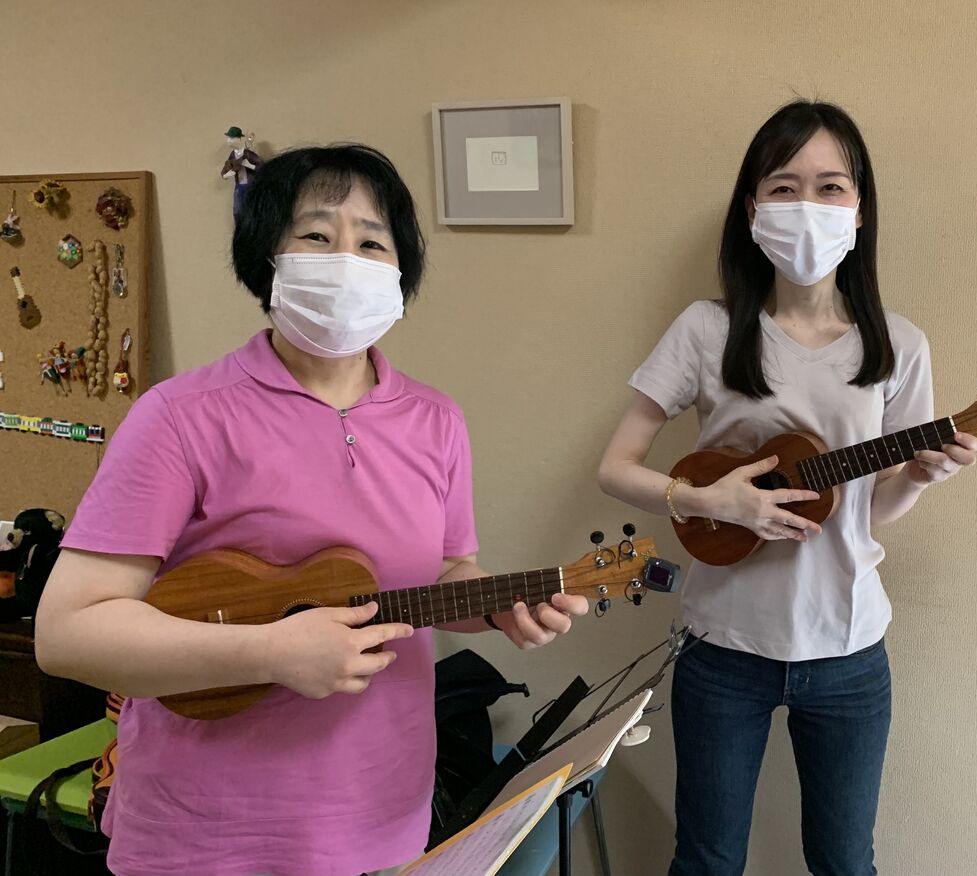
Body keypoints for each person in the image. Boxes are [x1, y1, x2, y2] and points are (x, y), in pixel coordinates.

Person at [36, 144, 588, 876]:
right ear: (267, 258)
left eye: (373, 243)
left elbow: (445, 569)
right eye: (317, 235)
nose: (347, 259)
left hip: (383, 813)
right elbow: (68, 633)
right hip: (208, 833)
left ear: (401, 271)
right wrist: (270, 652)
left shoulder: (437, 421)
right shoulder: (180, 416)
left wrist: (496, 605)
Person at [597, 100, 977, 876]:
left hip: (849, 647)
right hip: (724, 645)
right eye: (784, 186)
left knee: (844, 862)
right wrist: (707, 501)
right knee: (707, 861)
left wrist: (917, 475)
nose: (808, 205)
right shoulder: (706, 329)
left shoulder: (898, 345)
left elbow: (874, 511)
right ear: (752, 209)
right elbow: (616, 466)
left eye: (831, 186)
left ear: (860, 209)